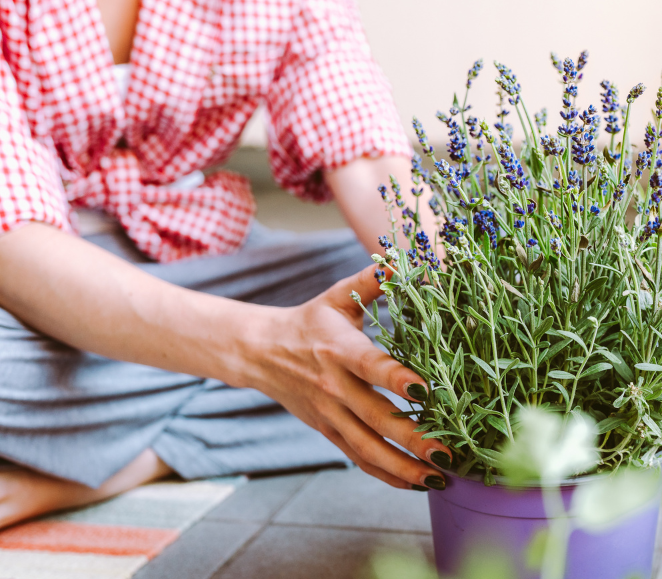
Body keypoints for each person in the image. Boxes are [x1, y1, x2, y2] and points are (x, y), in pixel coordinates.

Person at [0, 0, 451, 529]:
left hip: (200, 256)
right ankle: (236, 409)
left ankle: (105, 466)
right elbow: (17, 244)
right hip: (31, 276)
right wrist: (264, 349)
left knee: (404, 299)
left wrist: (467, 307)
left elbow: (367, 153)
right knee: (349, 366)